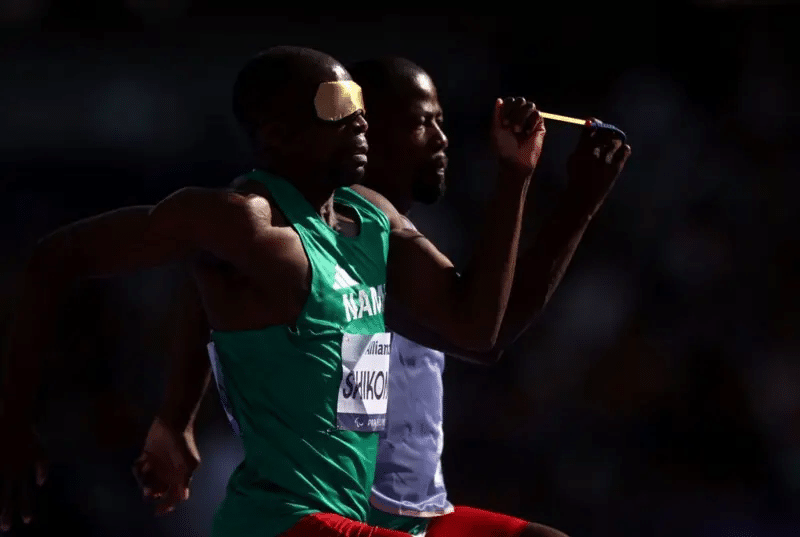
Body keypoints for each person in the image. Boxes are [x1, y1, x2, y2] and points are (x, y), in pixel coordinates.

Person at [0, 46, 546, 537]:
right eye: (337, 104)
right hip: (282, 522)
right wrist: (15, 422)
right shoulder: (242, 223)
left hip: (354, 514)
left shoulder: (371, 221)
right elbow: (55, 258)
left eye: (361, 105)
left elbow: (476, 328)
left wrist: (515, 175)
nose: (361, 120)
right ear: (277, 133)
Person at [131, 56, 631, 537]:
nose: (442, 140)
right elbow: (484, 336)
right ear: (372, 133)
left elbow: (484, 328)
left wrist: (577, 202)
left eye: (441, 122)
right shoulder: (339, 249)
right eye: (421, 124)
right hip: (354, 513)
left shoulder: (385, 237)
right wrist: (175, 418)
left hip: (411, 507)